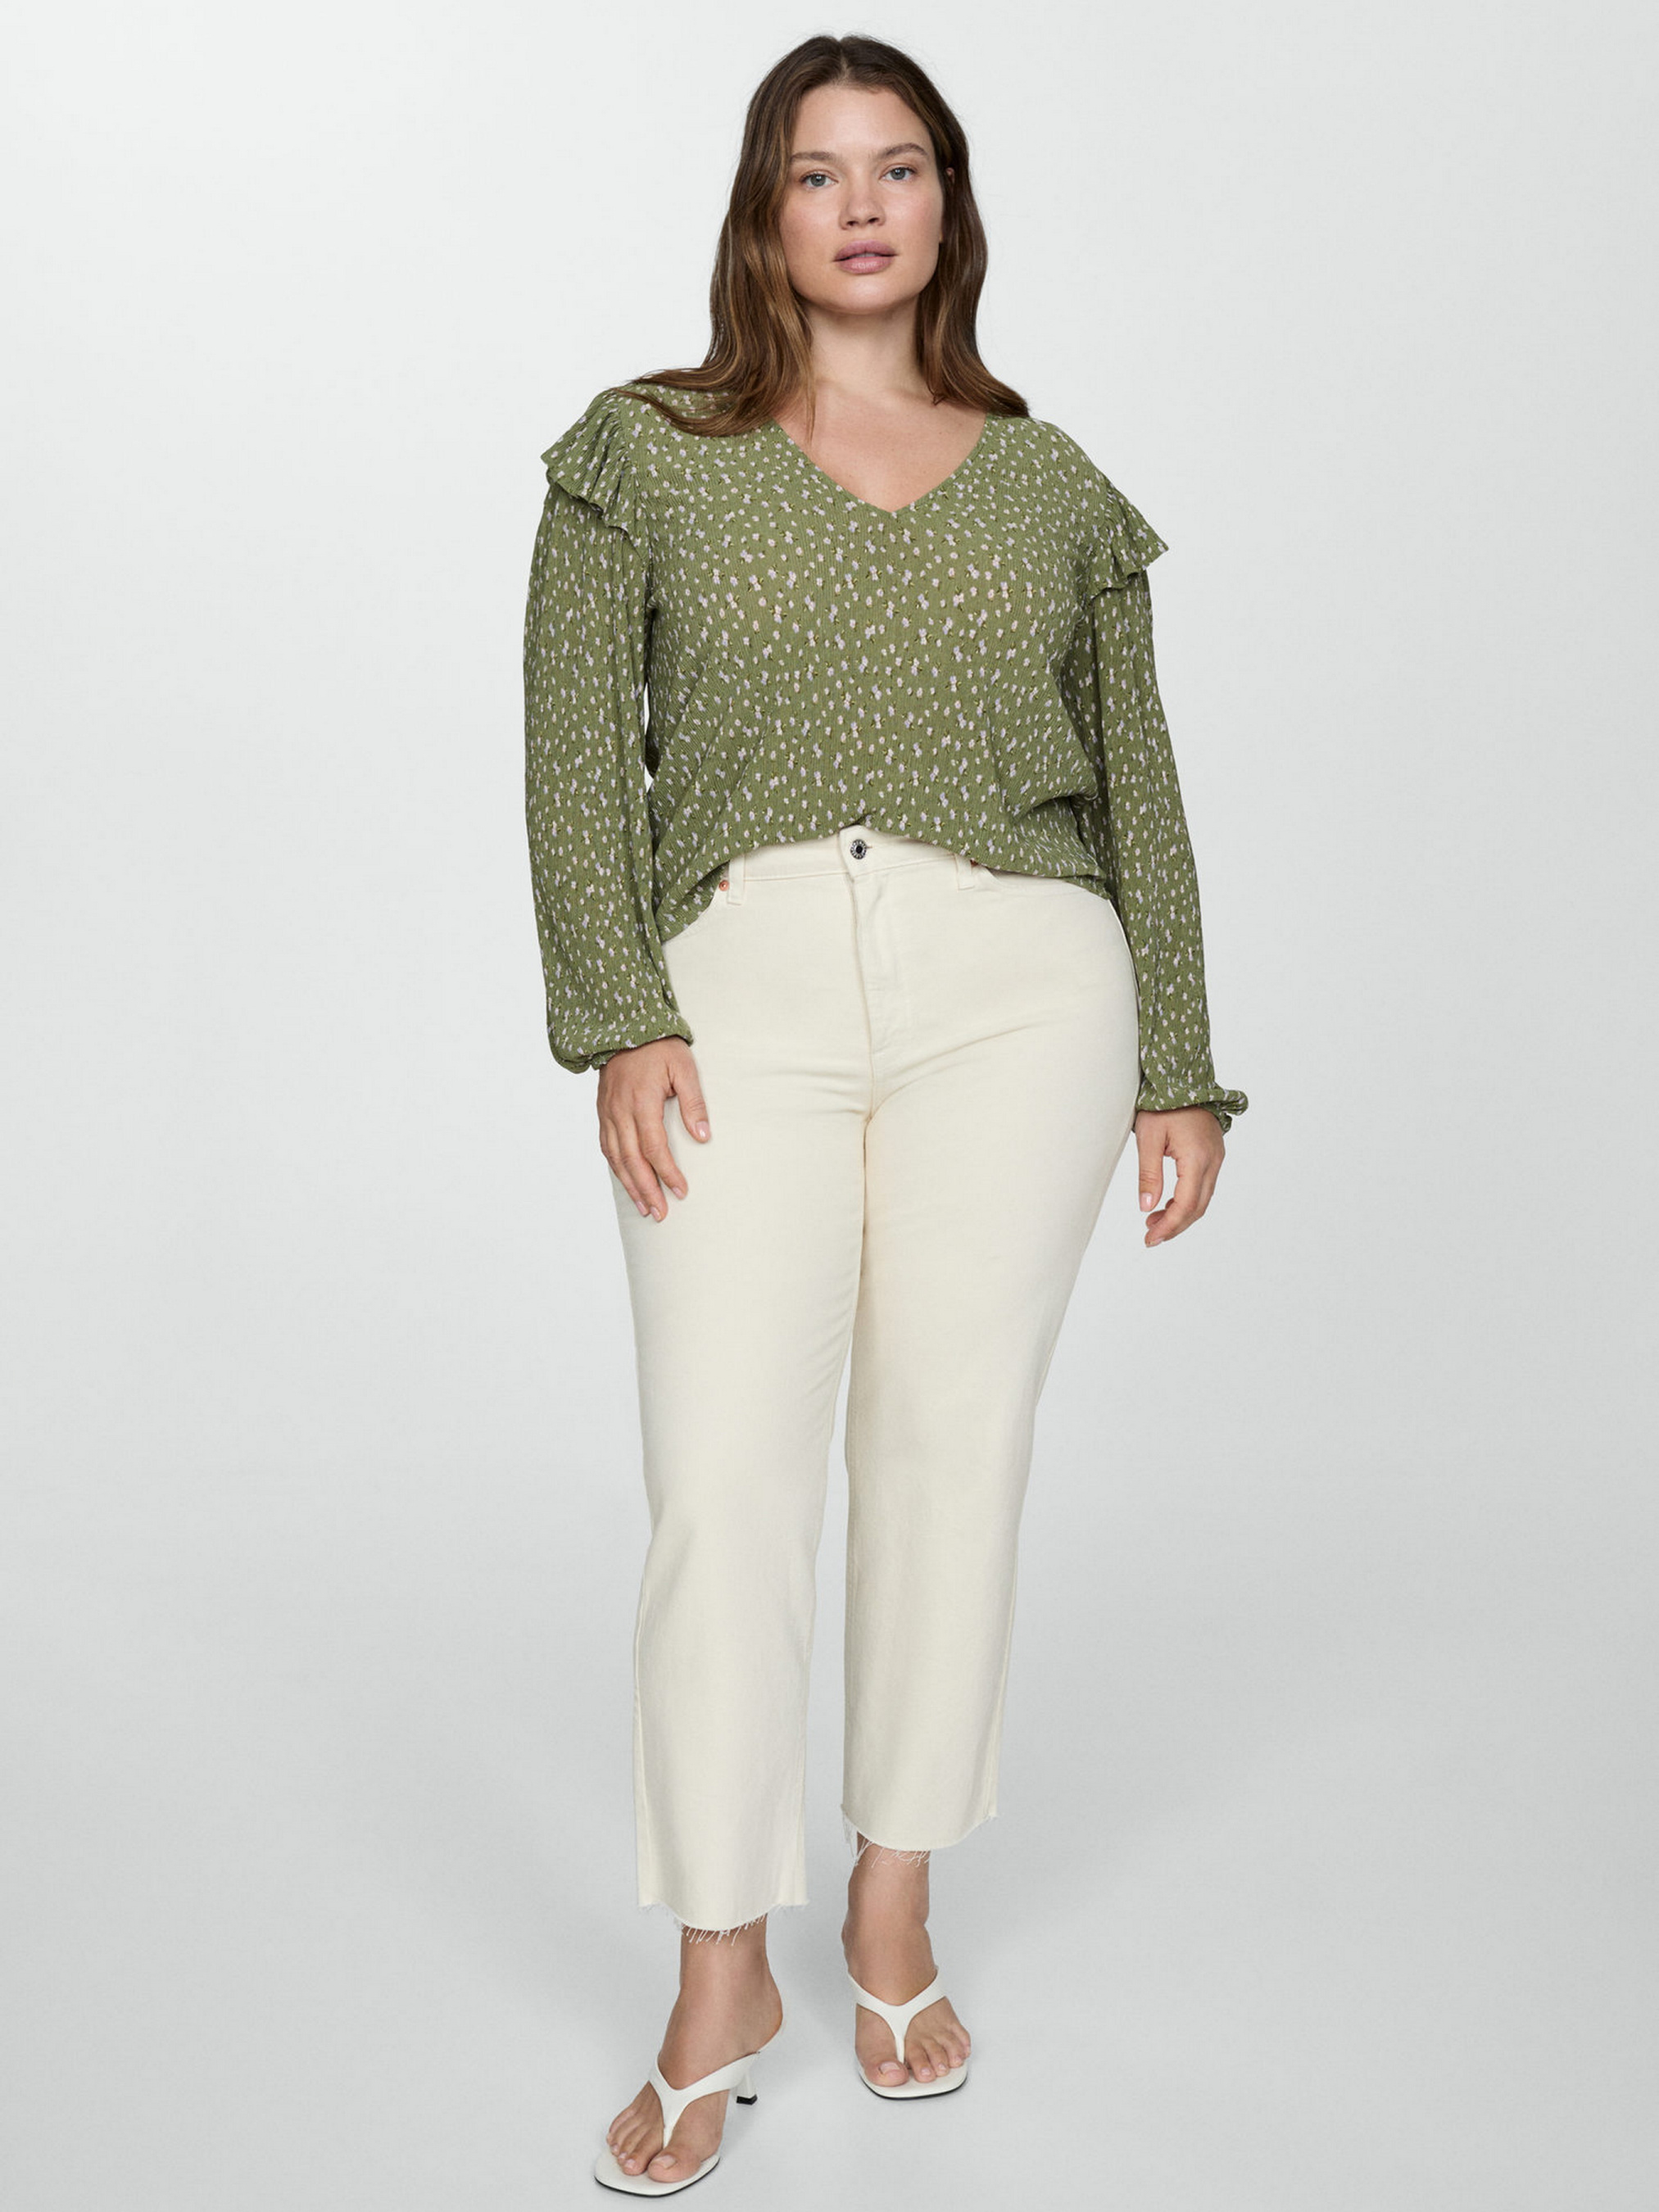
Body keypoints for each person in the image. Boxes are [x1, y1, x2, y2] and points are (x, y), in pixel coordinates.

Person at [523, 33, 1249, 2197]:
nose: (861, 205)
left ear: (949, 204)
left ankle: (893, 1900)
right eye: (819, 171)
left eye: (900, 166)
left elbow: (1139, 785)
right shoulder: (639, 456)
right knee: (721, 1477)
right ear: (764, 212)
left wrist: (1177, 1058)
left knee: (950, 1445)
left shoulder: (1052, 486)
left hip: (1019, 990)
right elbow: (573, 758)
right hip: (734, 979)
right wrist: (617, 1014)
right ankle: (717, 1967)